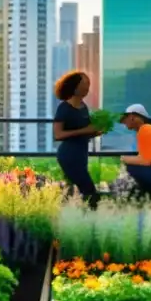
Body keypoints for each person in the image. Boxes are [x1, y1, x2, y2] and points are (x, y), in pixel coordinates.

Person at [52, 71, 101, 207]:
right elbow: (58, 135)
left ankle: (75, 219)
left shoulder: (83, 106)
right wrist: (86, 130)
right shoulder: (64, 108)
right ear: (74, 87)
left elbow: (83, 132)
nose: (87, 87)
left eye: (88, 84)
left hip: (81, 155)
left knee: (76, 191)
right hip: (69, 156)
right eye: (84, 83)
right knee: (89, 192)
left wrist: (95, 132)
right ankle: (91, 220)